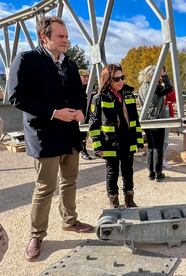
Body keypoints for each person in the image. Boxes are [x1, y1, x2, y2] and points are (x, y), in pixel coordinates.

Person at [7, 16, 94, 262]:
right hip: (44, 134)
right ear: (45, 37)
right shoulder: (26, 60)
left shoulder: (71, 65)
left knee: (70, 181)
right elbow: (16, 97)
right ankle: (37, 235)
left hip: (69, 134)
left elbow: (79, 95)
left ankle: (70, 221)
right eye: (61, 36)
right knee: (45, 188)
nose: (66, 40)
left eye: (66, 36)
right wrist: (54, 113)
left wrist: (79, 111)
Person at [89, 64, 144, 208]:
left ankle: (129, 201)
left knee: (128, 172)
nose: (121, 81)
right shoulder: (98, 98)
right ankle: (114, 203)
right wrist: (97, 146)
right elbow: (93, 125)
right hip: (110, 143)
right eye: (116, 79)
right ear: (108, 80)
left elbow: (135, 120)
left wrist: (139, 141)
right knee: (112, 173)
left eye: (122, 77)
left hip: (127, 140)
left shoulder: (128, 95)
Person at [138, 65, 173, 181]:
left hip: (146, 119)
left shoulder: (142, 87)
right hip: (156, 119)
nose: (160, 76)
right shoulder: (155, 87)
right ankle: (158, 173)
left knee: (150, 147)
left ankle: (151, 172)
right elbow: (169, 88)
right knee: (158, 147)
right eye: (158, 74)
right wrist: (165, 76)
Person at [79, 69, 92, 160]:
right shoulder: (75, 88)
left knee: (86, 133)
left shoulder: (90, 88)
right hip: (79, 113)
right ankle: (83, 151)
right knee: (81, 133)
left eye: (88, 76)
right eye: (84, 76)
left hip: (89, 113)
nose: (86, 78)